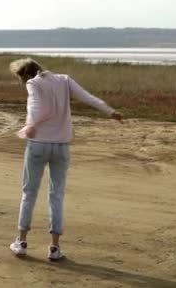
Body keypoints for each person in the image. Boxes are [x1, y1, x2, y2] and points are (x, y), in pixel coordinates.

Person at [8, 58, 123, 261]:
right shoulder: (64, 80)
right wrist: (110, 111)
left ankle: (21, 242)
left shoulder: (33, 83)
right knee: (57, 195)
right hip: (61, 146)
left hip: (38, 144)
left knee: (29, 192)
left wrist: (31, 125)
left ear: (24, 75)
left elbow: (34, 107)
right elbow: (89, 98)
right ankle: (54, 248)